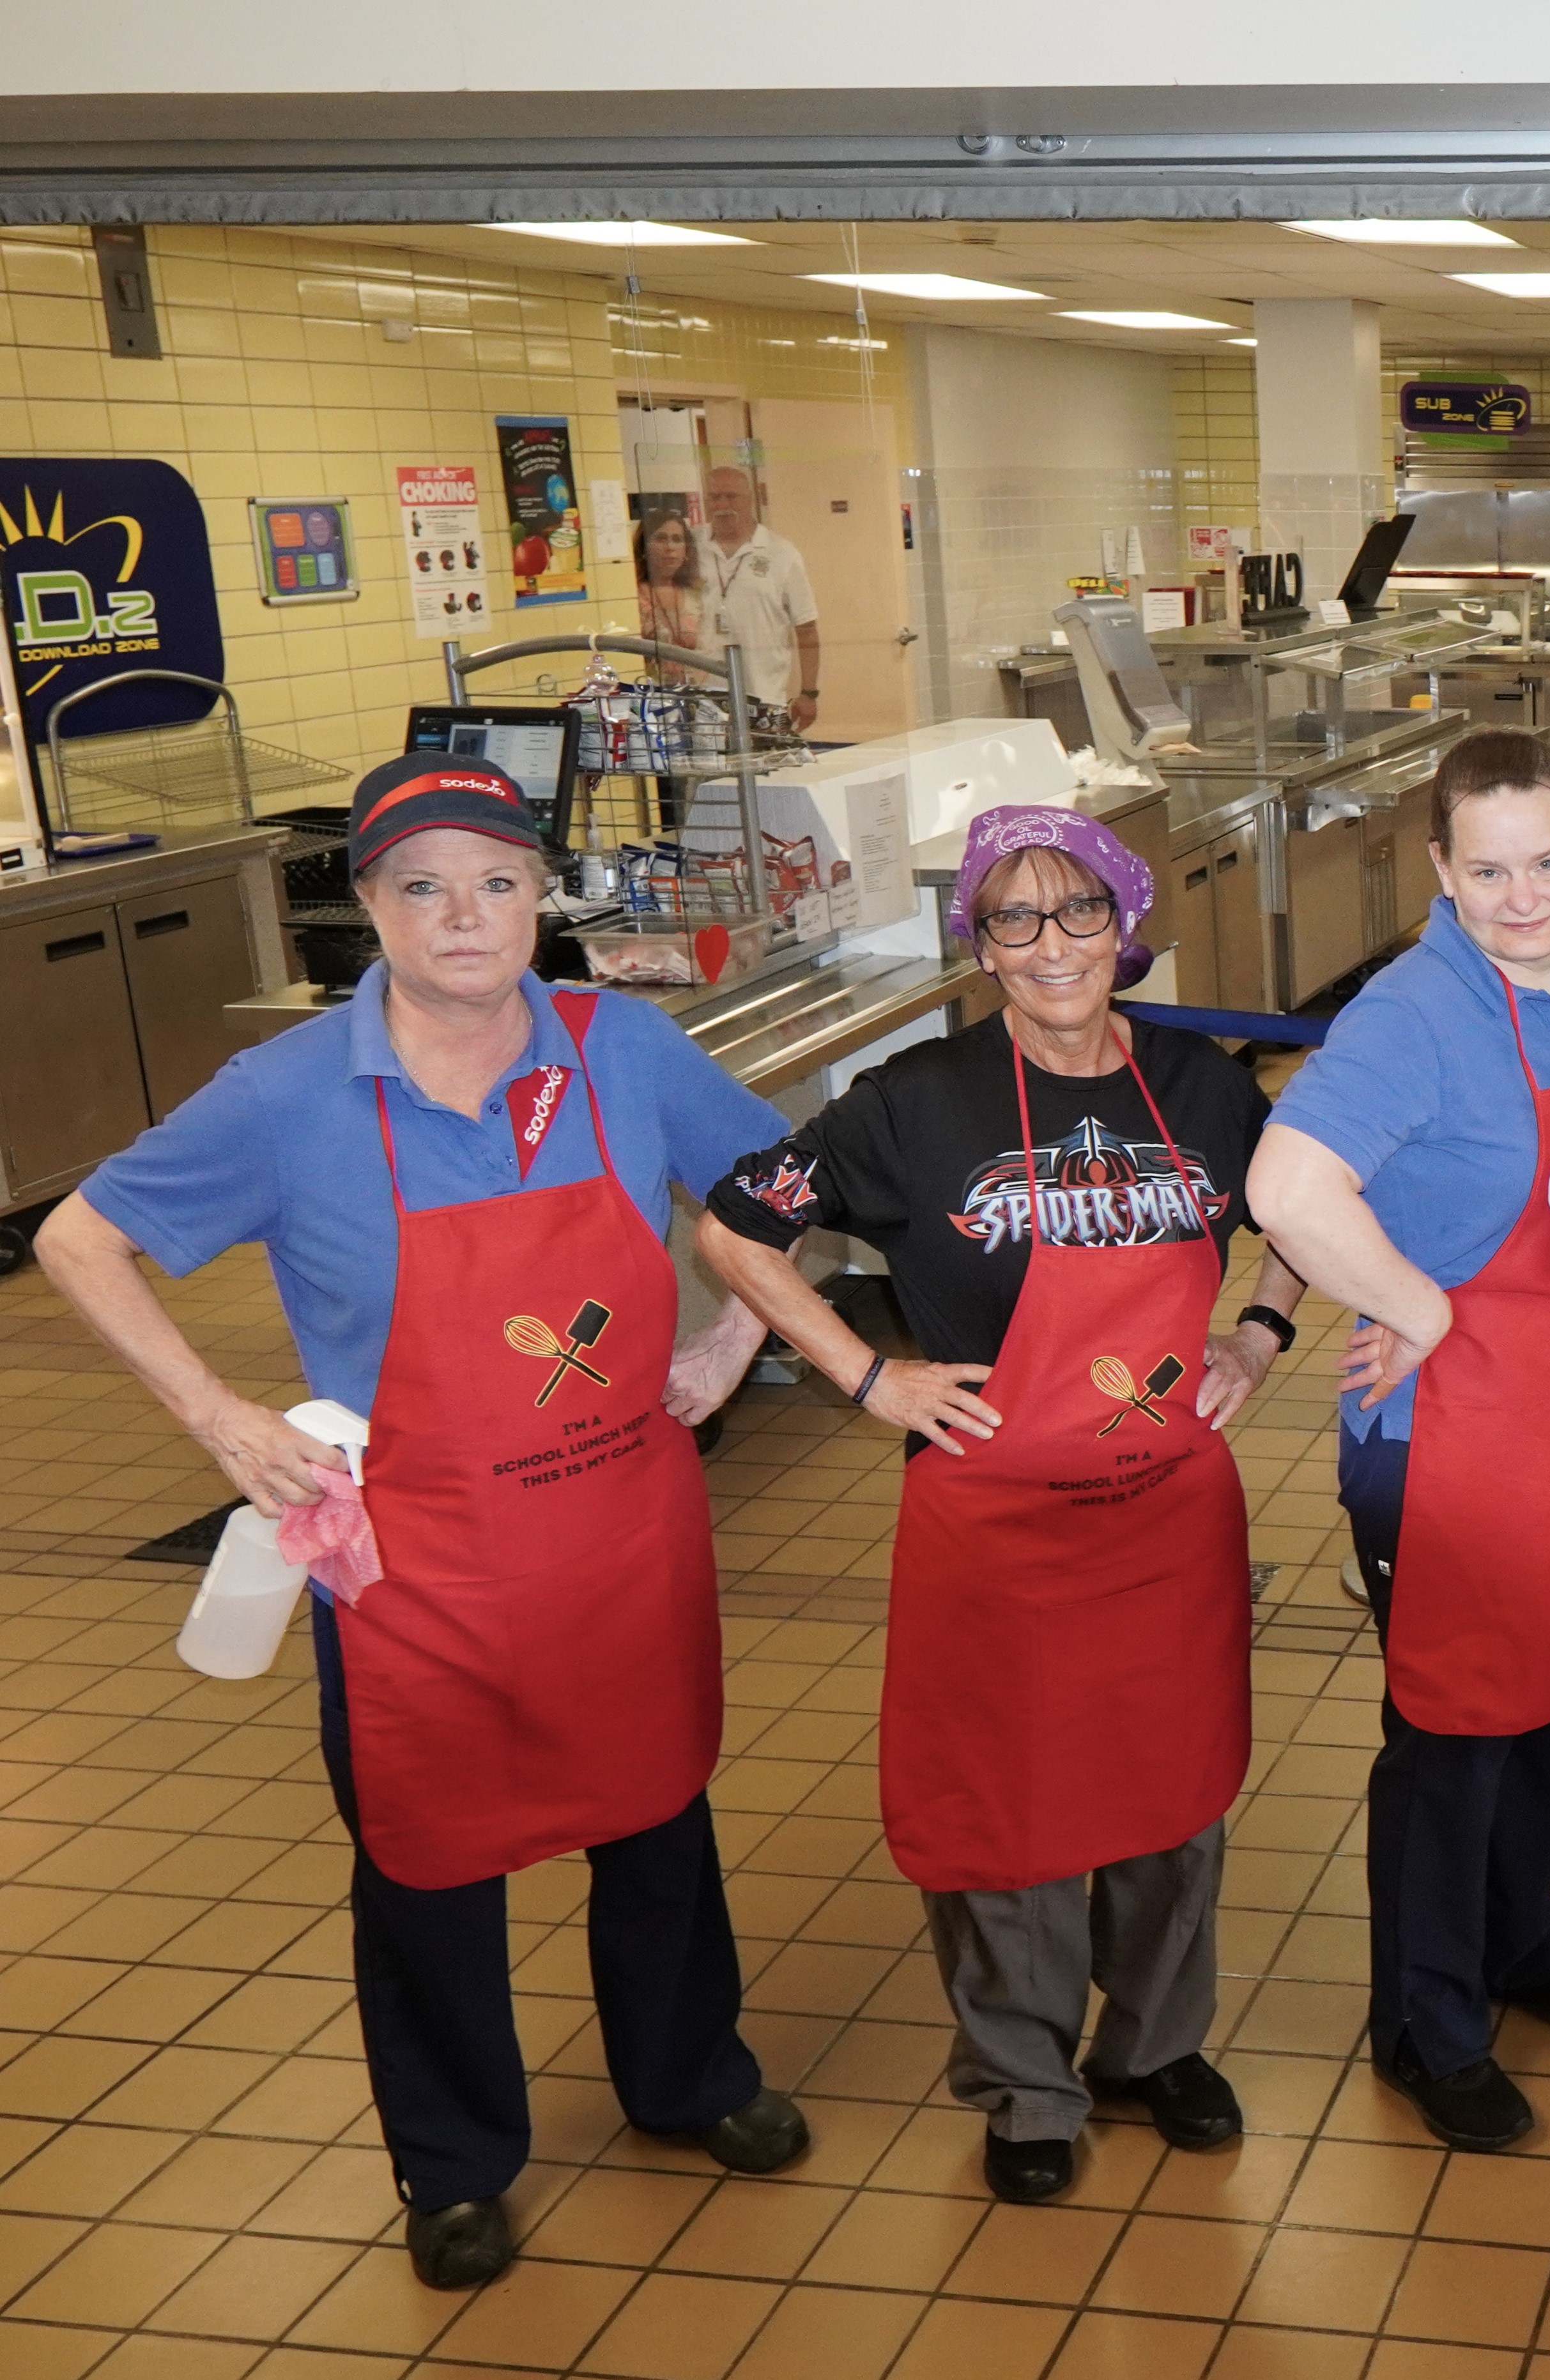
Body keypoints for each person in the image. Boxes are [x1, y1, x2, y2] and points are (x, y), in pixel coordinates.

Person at [34, 758, 808, 2292]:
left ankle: (686, 2075)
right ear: (369, 907)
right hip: (417, 1575)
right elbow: (79, 1237)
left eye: (499, 880)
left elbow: (781, 1185)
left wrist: (732, 1343)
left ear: (541, 895)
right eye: (423, 885)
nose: (467, 914)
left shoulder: (623, 1048)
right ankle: (453, 2162)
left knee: (657, 1818)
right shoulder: (288, 1094)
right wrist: (220, 1417)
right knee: (426, 1864)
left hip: (619, 1539)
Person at [696, 807, 1299, 2206]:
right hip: (996, 1524)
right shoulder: (915, 1103)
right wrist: (866, 1378)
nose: (1048, 947)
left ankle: (1151, 2052)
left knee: (1170, 1795)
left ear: (1126, 926)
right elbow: (733, 1226)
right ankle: (1026, 2084)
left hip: (1165, 1516)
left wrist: (1259, 1333)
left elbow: (1305, 1207)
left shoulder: (1202, 1090)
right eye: (1012, 920)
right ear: (979, 944)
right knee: (1005, 1813)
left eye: (1077, 912)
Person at [1248, 729, 1550, 2152]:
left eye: (1545, 860)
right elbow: (1288, 1186)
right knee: (1448, 1734)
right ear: (1438, 870)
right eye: (1486, 870)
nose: (1521, 896)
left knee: (1545, 1697)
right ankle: (1424, 2025)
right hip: (1453, 1433)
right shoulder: (1409, 1010)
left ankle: (1517, 1942)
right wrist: (1418, 1303)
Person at [698, 464, 822, 733]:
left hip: (764, 700)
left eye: (731, 496)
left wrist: (809, 693)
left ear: (750, 499)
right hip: (702, 701)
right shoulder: (691, 545)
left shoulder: (782, 554)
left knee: (764, 774)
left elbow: (807, 628)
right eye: (714, 497)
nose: (723, 505)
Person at [633, 504, 711, 678]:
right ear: (643, 549)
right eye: (660, 539)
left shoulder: (697, 595)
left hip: (698, 694)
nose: (670, 547)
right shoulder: (632, 598)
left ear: (686, 552)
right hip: (650, 696)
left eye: (677, 539)